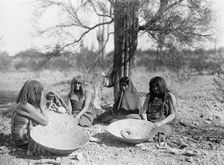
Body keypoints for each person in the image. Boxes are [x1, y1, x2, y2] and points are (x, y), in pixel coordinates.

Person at [11, 80, 48, 152]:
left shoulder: (22, 103)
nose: (43, 96)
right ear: (35, 94)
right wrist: (41, 106)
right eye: (41, 94)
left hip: (20, 139)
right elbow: (45, 122)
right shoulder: (25, 106)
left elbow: (37, 117)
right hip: (23, 141)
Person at [142, 76, 177, 142]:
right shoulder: (150, 96)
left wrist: (160, 123)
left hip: (163, 124)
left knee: (162, 130)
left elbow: (173, 115)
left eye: (157, 86)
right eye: (153, 87)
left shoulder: (169, 96)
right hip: (149, 123)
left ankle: (157, 137)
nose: (155, 88)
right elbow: (143, 112)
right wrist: (146, 123)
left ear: (162, 86)